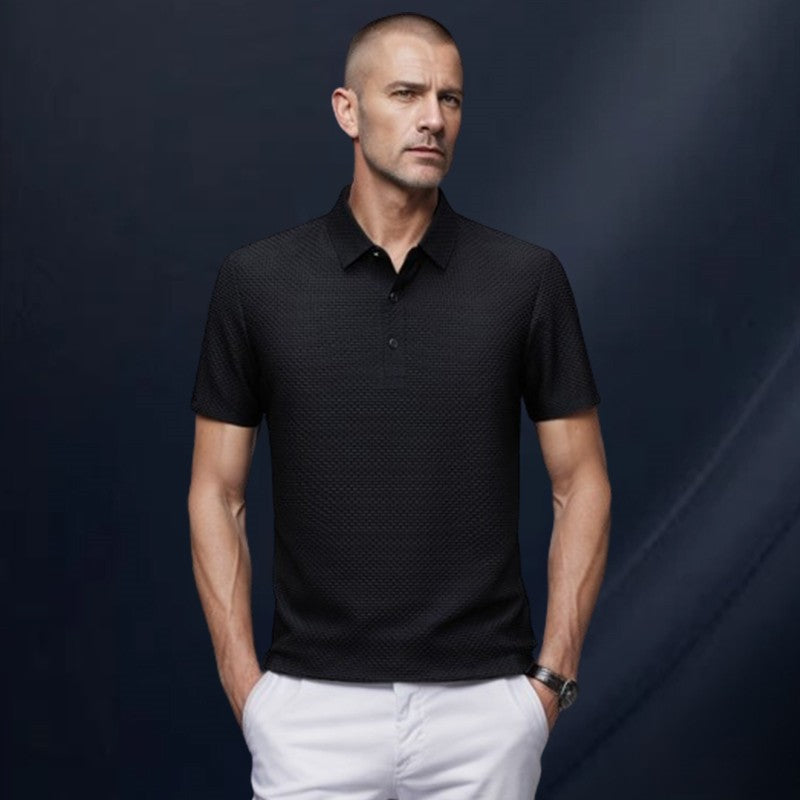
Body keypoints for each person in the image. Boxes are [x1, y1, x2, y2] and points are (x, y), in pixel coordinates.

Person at [187, 11, 611, 800]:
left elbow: (581, 480)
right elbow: (216, 490)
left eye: (450, 99)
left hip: (485, 710)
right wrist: (249, 691)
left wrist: (550, 681)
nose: (433, 119)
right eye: (407, 93)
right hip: (311, 711)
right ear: (347, 110)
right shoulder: (257, 282)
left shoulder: (525, 279)